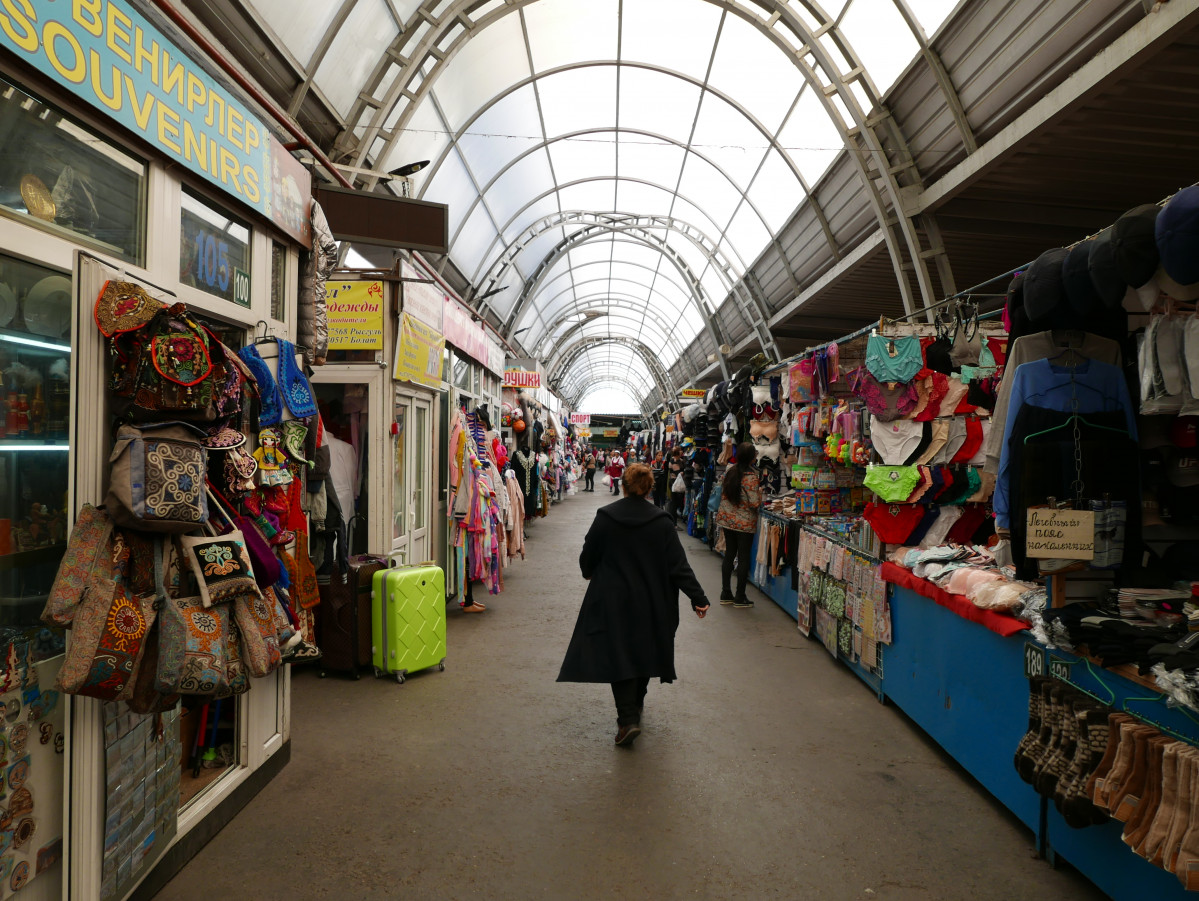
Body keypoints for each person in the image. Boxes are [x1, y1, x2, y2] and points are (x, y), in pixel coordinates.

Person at [558, 463, 710, 747]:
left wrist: (588, 570)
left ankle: (628, 718)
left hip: (612, 599)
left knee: (620, 653)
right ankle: (636, 704)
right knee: (643, 649)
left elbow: (589, 553)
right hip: (653, 599)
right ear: (650, 488)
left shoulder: (606, 517)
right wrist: (698, 598)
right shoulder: (662, 522)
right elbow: (678, 565)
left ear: (624, 486)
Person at [713, 443, 761, 608]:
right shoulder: (751, 477)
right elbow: (754, 503)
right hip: (745, 523)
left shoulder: (730, 471)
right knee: (743, 558)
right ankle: (740, 596)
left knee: (729, 555)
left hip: (727, 520)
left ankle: (725, 593)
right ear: (751, 458)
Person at [666, 449, 686, 526]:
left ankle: (673, 521)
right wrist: (681, 472)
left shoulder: (679, 461)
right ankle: (674, 523)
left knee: (675, 502)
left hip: (676, 483)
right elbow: (675, 472)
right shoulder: (674, 461)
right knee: (674, 503)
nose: (681, 453)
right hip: (675, 483)